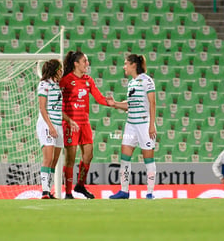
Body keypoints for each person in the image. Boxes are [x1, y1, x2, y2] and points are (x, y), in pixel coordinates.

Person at [60, 51, 110, 199]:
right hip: (71, 124)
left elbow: (100, 98)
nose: (87, 64)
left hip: (84, 124)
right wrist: (68, 120)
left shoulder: (88, 80)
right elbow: (57, 104)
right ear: (76, 64)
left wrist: (114, 104)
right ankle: (68, 193)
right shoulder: (66, 80)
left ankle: (80, 185)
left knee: (88, 155)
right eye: (85, 61)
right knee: (70, 158)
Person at [107, 54, 157, 199]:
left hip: (144, 125)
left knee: (148, 159)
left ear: (134, 65)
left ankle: (150, 193)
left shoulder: (147, 81)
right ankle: (124, 191)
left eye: (126, 63)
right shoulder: (131, 83)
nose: (124, 67)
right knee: (124, 158)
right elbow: (129, 105)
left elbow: (152, 103)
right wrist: (115, 103)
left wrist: (151, 124)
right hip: (131, 125)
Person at [36, 59, 78, 199]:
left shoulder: (57, 86)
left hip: (58, 125)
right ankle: (45, 191)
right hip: (47, 125)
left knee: (54, 160)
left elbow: (58, 110)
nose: (61, 71)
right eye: (59, 69)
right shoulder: (44, 84)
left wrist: (69, 120)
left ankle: (49, 190)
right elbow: (42, 108)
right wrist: (50, 126)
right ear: (54, 70)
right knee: (48, 158)